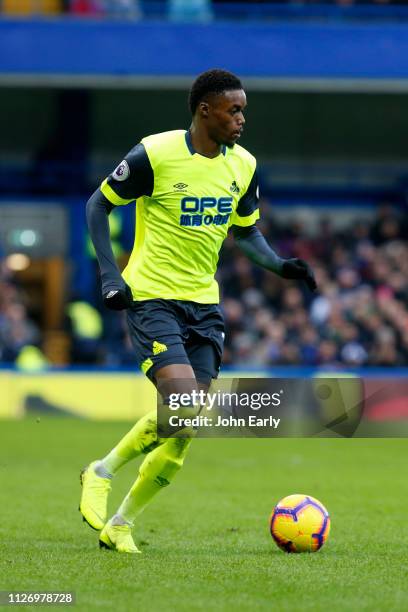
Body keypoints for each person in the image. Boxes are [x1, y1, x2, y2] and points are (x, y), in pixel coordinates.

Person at [81, 69, 317, 554]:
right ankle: (100, 471)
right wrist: (110, 274)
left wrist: (279, 266)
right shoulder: (155, 153)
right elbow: (96, 206)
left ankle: (121, 524)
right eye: (234, 110)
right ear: (205, 110)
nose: (242, 119)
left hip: (204, 306)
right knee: (185, 405)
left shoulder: (244, 165)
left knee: (187, 428)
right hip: (152, 298)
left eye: (243, 110)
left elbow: (246, 232)